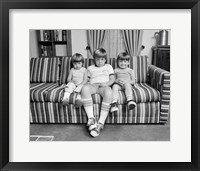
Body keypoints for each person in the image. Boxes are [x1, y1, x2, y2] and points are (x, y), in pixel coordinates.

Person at [81, 48, 115, 137]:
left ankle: (100, 123)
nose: (100, 61)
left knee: (108, 92)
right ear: (94, 59)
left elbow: (112, 78)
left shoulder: (108, 67)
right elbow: (86, 80)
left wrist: (106, 84)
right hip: (93, 85)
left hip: (103, 86)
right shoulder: (90, 68)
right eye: (98, 59)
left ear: (105, 59)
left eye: (102, 59)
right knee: (84, 89)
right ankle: (91, 119)